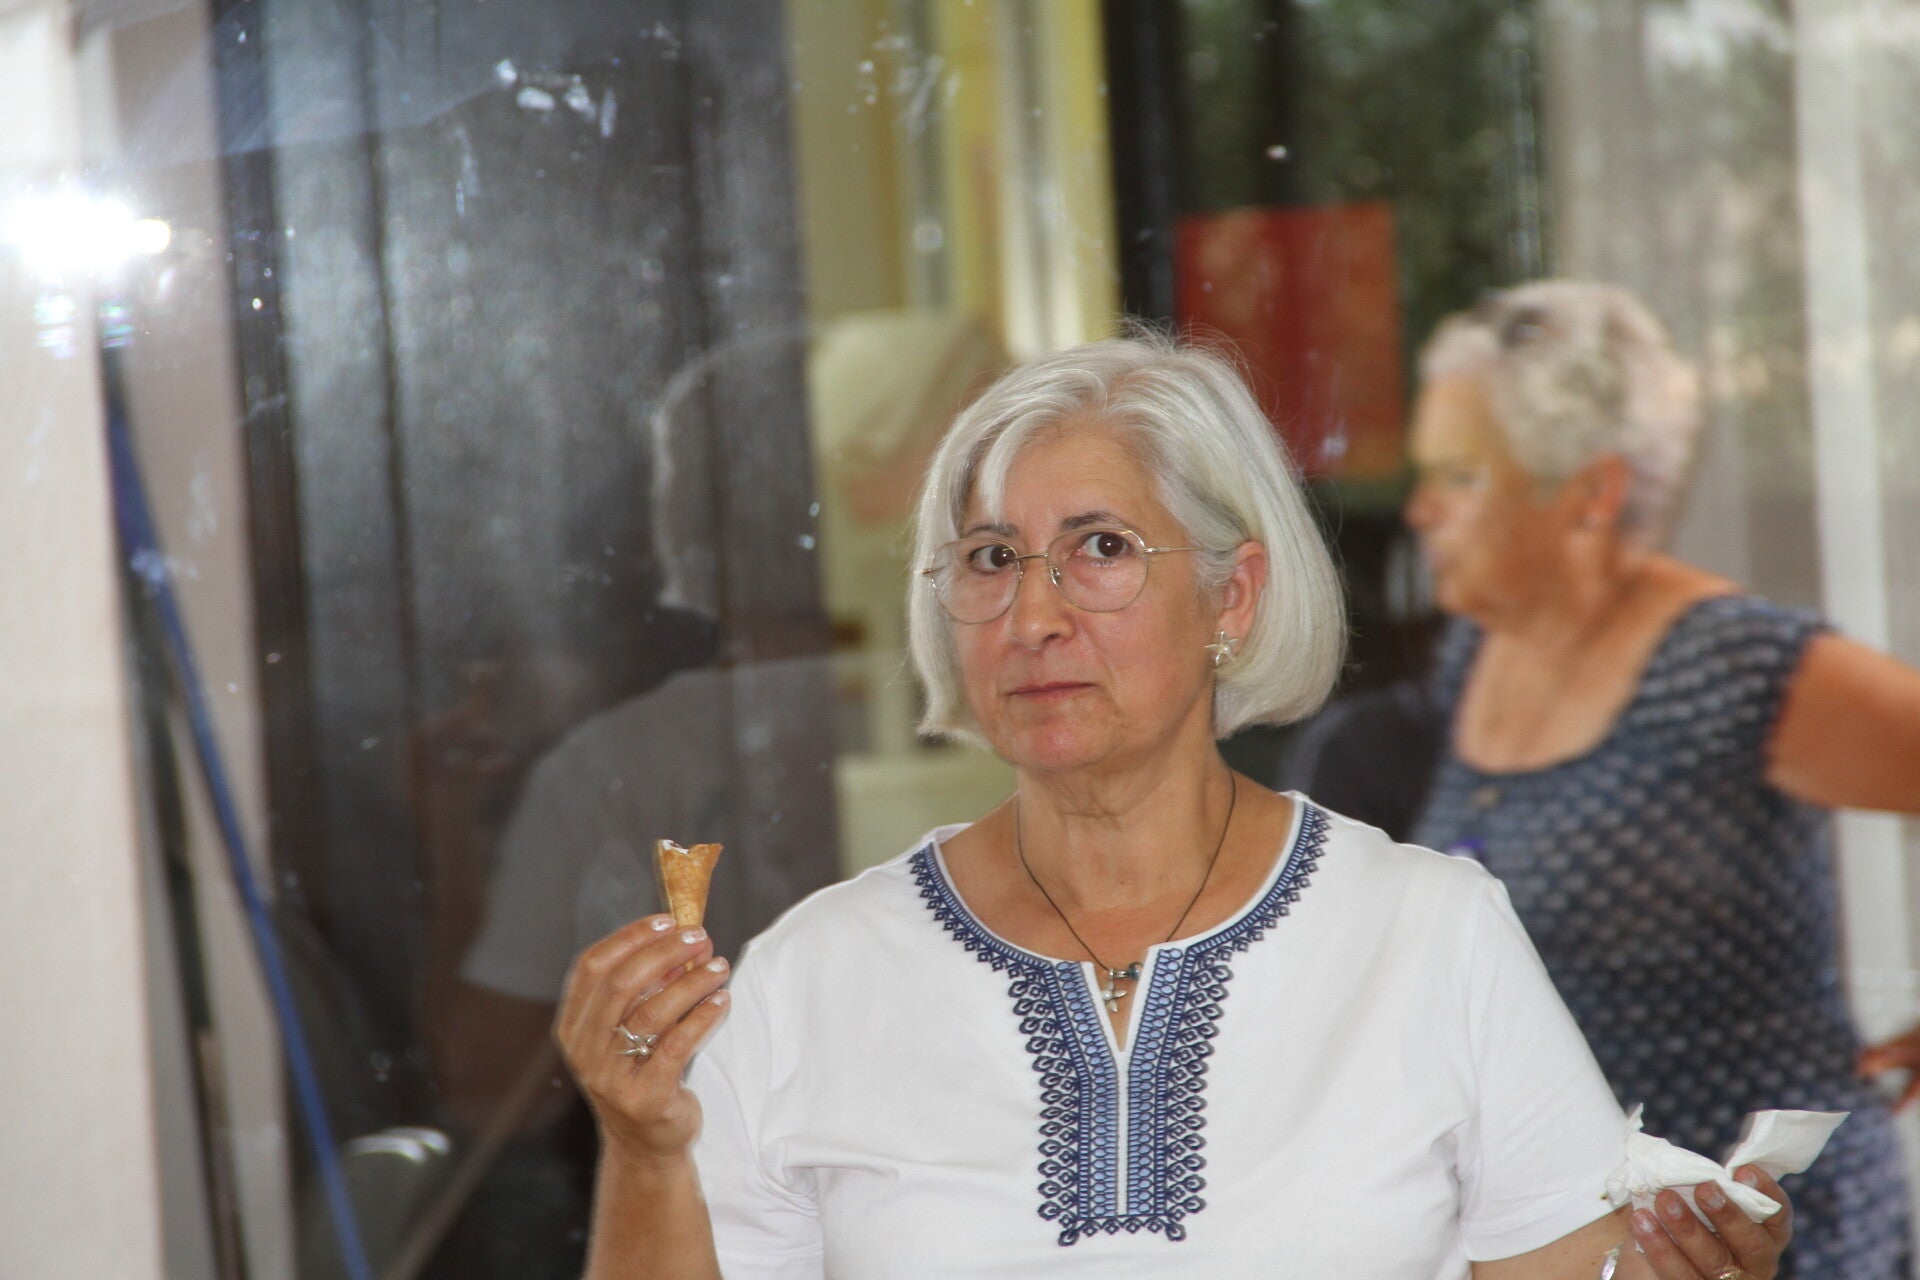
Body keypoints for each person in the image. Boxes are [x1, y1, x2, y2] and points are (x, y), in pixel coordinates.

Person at [554, 333, 1793, 1278]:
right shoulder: (816, 971)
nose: (1034, 614)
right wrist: (645, 1147)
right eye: (991, 558)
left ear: (1232, 597)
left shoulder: (1430, 932)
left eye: (1100, 548)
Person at [1399, 281, 1920, 1279]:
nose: (1421, 509)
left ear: (1591, 493)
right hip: (1571, 1249)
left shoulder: (1735, 667)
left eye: (1460, 475)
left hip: (1763, 1240)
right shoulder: (1479, 651)